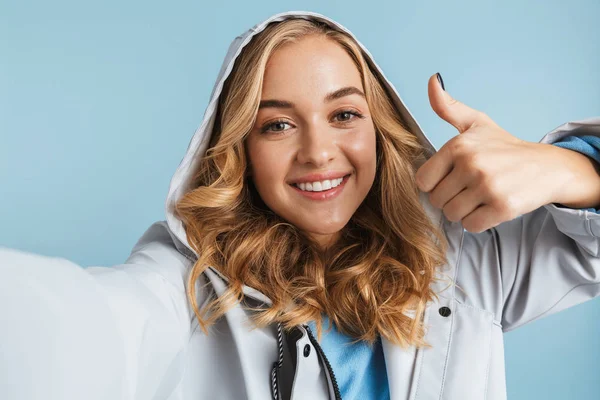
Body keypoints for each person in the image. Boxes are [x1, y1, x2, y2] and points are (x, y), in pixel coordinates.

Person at [2, 10, 600, 400]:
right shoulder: (183, 281)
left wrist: (573, 167)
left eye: (344, 115)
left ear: (379, 131)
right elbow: (88, 324)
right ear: (240, 147)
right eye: (278, 125)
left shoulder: (466, 253)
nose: (318, 152)